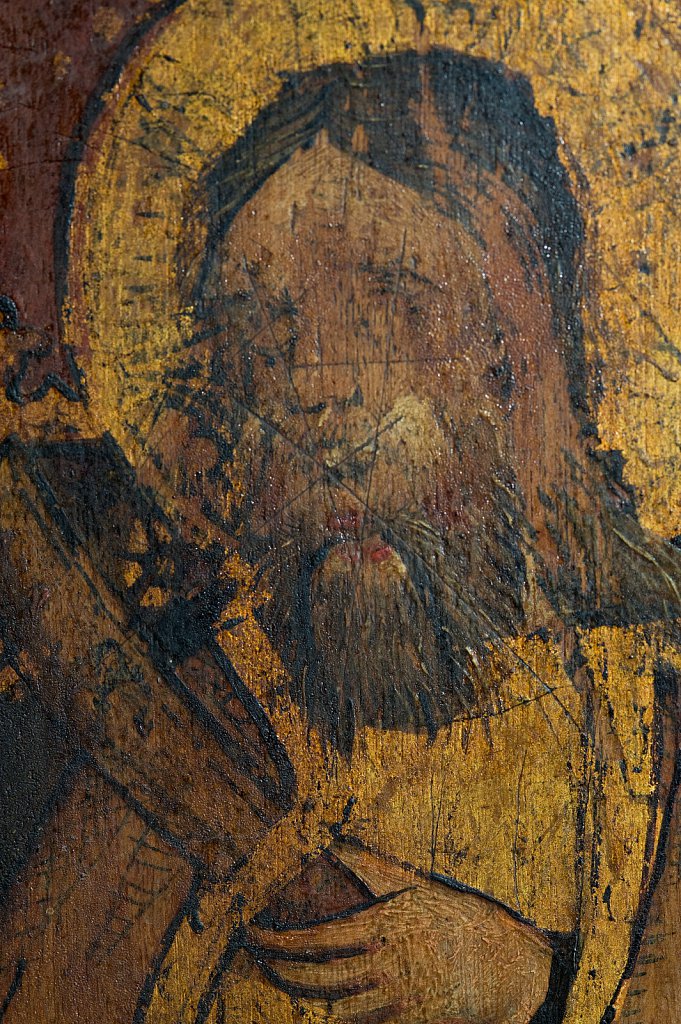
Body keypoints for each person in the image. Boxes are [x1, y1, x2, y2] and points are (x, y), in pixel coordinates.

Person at [0, 47, 679, 1024]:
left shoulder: (646, 751)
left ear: (515, 338)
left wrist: (533, 981)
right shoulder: (189, 738)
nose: (316, 389)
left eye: (390, 298)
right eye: (265, 327)